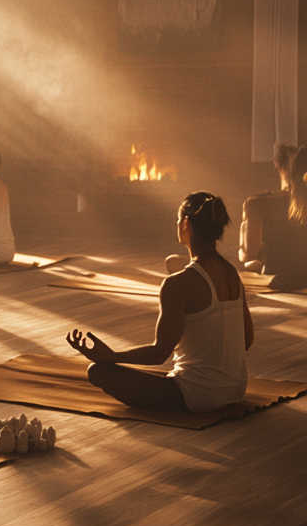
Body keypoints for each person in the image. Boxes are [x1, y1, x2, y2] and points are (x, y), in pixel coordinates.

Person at [67, 192, 254, 413]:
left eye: (178, 220)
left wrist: (110, 357)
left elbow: (159, 354)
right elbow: (247, 340)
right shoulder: (232, 273)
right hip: (237, 389)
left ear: (186, 223)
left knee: (98, 371)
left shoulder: (177, 284)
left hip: (197, 396)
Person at [238, 144, 307, 292]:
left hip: (278, 277)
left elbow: (248, 255)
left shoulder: (259, 204)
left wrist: (241, 252)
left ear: (277, 165)